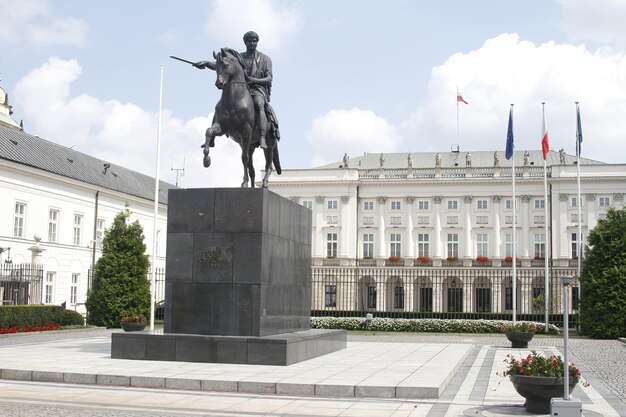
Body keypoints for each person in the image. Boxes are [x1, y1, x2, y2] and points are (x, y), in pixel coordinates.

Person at [194, 31, 274, 149]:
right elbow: (222, 65)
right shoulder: (238, 57)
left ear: (257, 42)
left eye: (254, 41)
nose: (252, 43)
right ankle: (212, 139)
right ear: (245, 42)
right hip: (240, 89)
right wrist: (206, 63)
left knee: (258, 103)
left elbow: (268, 79)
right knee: (220, 106)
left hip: (257, 89)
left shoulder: (265, 59)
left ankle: (262, 136)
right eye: (249, 41)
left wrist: (254, 80)